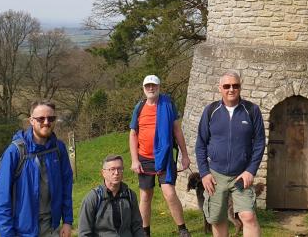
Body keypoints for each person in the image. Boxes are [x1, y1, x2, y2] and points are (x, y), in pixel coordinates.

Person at [195, 71, 265, 237]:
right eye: (227, 86)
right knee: (217, 219)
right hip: (216, 176)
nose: (231, 89)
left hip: (241, 176)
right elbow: (200, 145)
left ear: (240, 87)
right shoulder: (211, 111)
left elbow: (260, 143)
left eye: (235, 85)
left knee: (248, 216)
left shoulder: (252, 110)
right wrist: (204, 173)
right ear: (220, 88)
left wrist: (251, 170)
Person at [0, 100, 74, 237]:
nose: (46, 122)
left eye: (51, 118)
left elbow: (67, 187)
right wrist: (7, 233)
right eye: (41, 118)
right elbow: (1, 198)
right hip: (21, 230)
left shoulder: (59, 149)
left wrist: (67, 221)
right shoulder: (15, 152)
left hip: (51, 227)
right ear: (31, 120)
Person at [128, 75, 192, 237]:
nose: (151, 88)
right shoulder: (139, 107)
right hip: (144, 158)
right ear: (144, 89)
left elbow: (177, 130)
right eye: (148, 86)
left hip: (164, 157)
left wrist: (184, 155)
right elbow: (133, 133)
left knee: (169, 193)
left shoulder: (168, 104)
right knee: (145, 195)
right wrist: (135, 160)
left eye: (154, 85)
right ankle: (145, 232)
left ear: (159, 87)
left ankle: (182, 229)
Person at [78, 154, 145, 237]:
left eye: (119, 169)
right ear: (103, 173)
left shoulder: (130, 196)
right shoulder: (93, 198)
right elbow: (84, 233)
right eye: (112, 169)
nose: (116, 173)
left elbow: (137, 227)